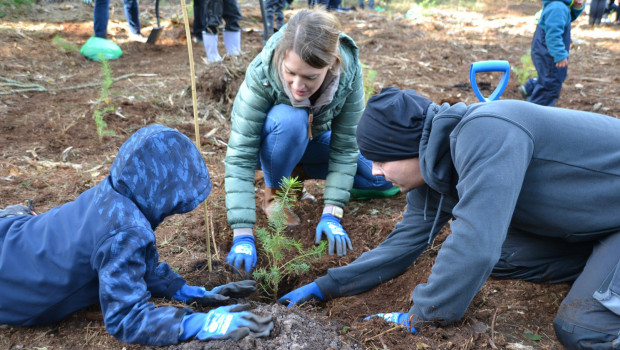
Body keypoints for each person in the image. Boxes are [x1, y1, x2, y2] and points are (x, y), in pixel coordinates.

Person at [279, 87, 620, 349]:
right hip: (601, 221)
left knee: (583, 329)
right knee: (502, 256)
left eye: (382, 161)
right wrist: (328, 286)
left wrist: (422, 316)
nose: (376, 173)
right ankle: (602, 273)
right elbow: (404, 244)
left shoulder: (487, 133)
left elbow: (475, 244)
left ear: (409, 148)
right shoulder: (435, 166)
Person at [0, 125, 273, 346]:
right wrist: (201, 323)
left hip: (14, 238)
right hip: (11, 287)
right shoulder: (125, 232)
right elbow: (126, 319)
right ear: (163, 191)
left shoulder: (113, 193)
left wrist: (184, 290)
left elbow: (135, 266)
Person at [224, 8, 398, 277]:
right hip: (271, 142)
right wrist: (243, 234)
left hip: (312, 142)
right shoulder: (262, 72)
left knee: (382, 178)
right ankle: (275, 195)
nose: (297, 85)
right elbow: (240, 155)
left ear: (332, 64)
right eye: (290, 72)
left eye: (310, 77)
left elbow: (345, 146)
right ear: (282, 56)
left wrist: (332, 212)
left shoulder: (348, 74)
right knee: (291, 119)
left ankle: (301, 174)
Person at [518, 0, 584, 107]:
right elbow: (553, 35)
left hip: (544, 50)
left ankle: (530, 88)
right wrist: (559, 55)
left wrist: (576, 7)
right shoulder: (557, 8)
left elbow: (565, 19)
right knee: (551, 85)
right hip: (548, 53)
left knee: (549, 77)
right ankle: (536, 113)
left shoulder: (559, 5)